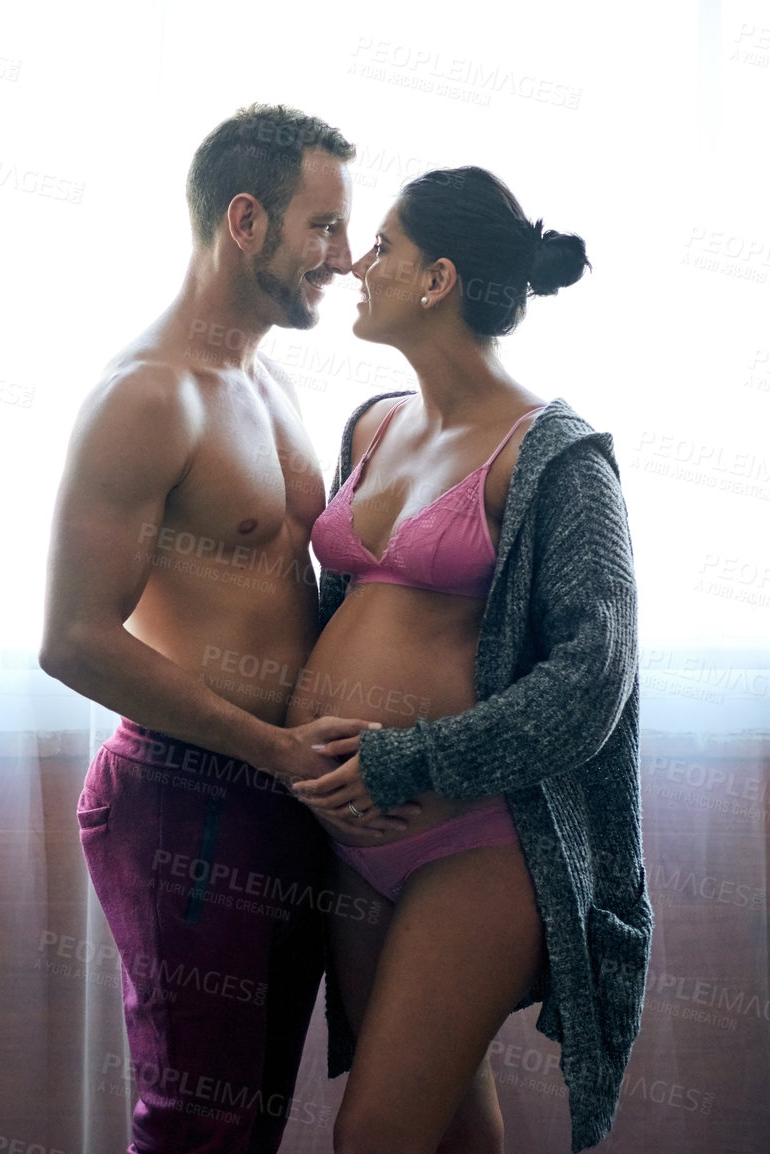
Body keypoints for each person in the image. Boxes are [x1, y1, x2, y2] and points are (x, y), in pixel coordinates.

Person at [39, 104, 418, 1153]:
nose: (343, 259)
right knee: (196, 1123)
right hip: (189, 797)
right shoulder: (147, 395)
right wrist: (270, 747)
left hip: (287, 791)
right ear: (244, 220)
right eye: (321, 228)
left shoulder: (270, 381)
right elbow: (72, 636)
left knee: (248, 1118)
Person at [284, 167, 650, 1153]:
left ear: (437, 277)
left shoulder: (557, 456)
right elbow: (337, 610)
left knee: (373, 1134)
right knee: (444, 1123)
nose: (358, 264)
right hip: (350, 835)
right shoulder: (370, 423)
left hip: (475, 838)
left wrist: (404, 761)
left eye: (385, 248)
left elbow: (591, 678)